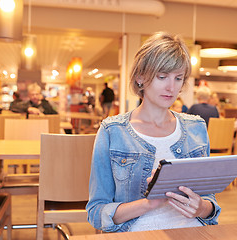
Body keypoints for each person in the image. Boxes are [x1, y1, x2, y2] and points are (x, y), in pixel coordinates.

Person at [86, 32, 220, 233]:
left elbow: (210, 202)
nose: (170, 87)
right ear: (140, 77)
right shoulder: (112, 132)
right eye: (162, 77)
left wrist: (201, 207)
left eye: (178, 78)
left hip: (192, 232)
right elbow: (96, 212)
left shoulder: (196, 128)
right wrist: (148, 203)